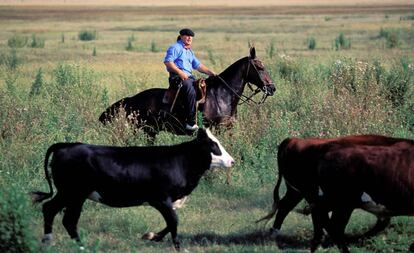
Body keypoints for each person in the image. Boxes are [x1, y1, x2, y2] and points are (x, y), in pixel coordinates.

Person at [163, 28, 216, 131]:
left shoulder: (189, 51)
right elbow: (168, 62)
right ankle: (190, 122)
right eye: (187, 36)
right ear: (181, 36)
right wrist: (180, 72)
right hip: (177, 78)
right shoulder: (176, 48)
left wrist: (211, 72)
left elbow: (198, 65)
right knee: (190, 89)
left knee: (203, 86)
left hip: (189, 78)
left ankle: (205, 117)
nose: (189, 38)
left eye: (191, 36)